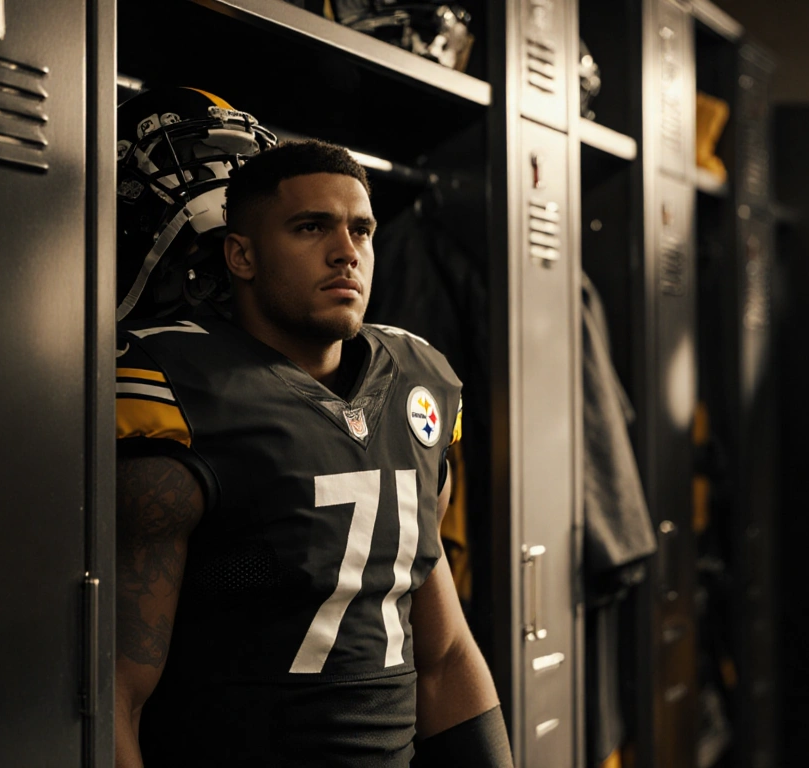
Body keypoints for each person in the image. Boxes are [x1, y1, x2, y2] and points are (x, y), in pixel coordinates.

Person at [112, 134, 511, 766]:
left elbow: (443, 653)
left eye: (362, 230)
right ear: (240, 255)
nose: (345, 253)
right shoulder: (179, 390)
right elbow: (117, 693)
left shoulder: (417, 379)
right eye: (310, 228)